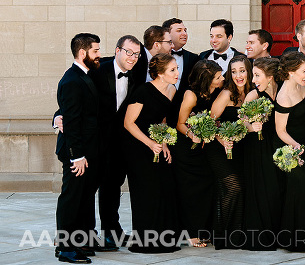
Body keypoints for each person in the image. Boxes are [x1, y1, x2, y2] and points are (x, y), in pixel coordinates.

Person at [122, 53, 180, 253]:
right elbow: (128, 123)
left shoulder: (171, 89)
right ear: (160, 74)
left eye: (177, 69)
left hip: (157, 144)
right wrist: (150, 143)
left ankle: (164, 238)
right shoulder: (143, 91)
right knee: (146, 192)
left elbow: (162, 120)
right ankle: (145, 241)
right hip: (138, 147)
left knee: (164, 189)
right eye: (172, 70)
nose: (177, 73)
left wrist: (163, 143)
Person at [90, 35, 141, 249]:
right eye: (129, 52)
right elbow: (76, 94)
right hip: (95, 141)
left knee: (112, 187)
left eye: (136, 54)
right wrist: (59, 115)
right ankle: (84, 235)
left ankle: (112, 232)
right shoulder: (97, 70)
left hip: (120, 142)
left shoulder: (137, 74)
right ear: (117, 50)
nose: (132, 57)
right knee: (89, 189)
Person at [55, 33, 101, 264]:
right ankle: (65, 249)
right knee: (71, 199)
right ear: (83, 53)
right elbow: (71, 121)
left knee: (82, 199)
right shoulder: (72, 80)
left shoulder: (85, 74)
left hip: (87, 150)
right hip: (76, 154)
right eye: (95, 51)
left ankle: (76, 243)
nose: (99, 55)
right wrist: (77, 156)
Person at [173, 60, 223, 248]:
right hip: (187, 150)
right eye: (218, 77)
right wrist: (192, 135)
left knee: (206, 188)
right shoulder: (191, 95)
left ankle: (204, 230)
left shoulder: (216, 92)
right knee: (190, 191)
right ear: (207, 79)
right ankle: (191, 233)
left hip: (204, 149)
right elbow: (180, 123)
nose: (222, 79)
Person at [275, 52, 305, 251]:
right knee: (299, 190)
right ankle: (294, 239)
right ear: (291, 72)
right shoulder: (284, 97)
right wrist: (296, 148)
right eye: (304, 71)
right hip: (294, 149)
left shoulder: (301, 86)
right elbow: (280, 131)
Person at [208, 55, 253, 249]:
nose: (238, 76)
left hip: (242, 149)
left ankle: (236, 236)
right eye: (233, 72)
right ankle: (222, 236)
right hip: (219, 148)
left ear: (249, 71)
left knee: (242, 189)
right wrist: (222, 139)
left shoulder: (253, 93)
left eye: (242, 71)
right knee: (233, 188)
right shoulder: (226, 94)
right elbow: (209, 122)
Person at [241, 57, 282, 250]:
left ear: (270, 76)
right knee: (261, 188)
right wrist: (252, 126)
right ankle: (260, 235)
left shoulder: (283, 90)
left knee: (277, 188)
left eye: (257, 75)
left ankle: (278, 232)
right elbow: (242, 119)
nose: (253, 79)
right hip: (258, 147)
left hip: (279, 145)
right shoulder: (253, 95)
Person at [163, 18, 200, 127]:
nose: (184, 34)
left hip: (182, 115)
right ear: (167, 34)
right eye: (179, 31)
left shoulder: (193, 58)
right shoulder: (157, 56)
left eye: (185, 30)